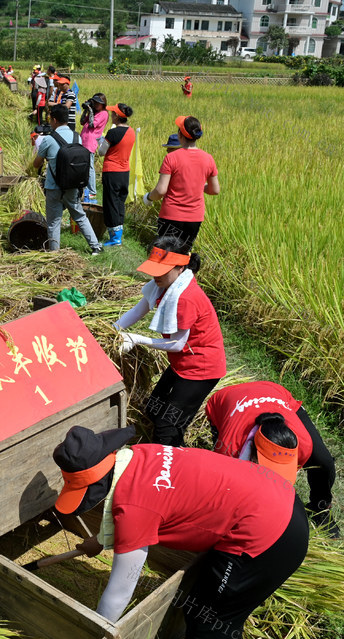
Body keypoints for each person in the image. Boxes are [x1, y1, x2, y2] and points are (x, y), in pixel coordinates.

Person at [51, 425, 308, 639]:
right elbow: (147, 497)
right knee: (226, 617)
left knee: (208, 619)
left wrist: (92, 637)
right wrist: (99, 540)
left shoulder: (135, 509)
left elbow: (119, 593)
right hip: (281, 499)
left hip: (270, 536)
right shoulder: (139, 455)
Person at [114, 236, 226, 446]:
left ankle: (172, 466)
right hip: (181, 363)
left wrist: (137, 339)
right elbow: (139, 310)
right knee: (153, 408)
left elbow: (177, 344)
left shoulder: (185, 297)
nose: (155, 276)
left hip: (201, 369)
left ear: (180, 268)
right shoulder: (163, 285)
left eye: (161, 270)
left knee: (168, 426)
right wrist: (112, 330)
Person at [206, 381, 339, 536]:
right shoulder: (229, 449)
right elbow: (221, 490)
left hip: (275, 392)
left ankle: (320, 508)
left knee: (324, 462)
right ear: (253, 454)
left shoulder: (304, 444)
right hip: (228, 398)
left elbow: (281, 483)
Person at [32, 105, 102, 255]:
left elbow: (36, 164)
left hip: (53, 187)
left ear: (55, 120)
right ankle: (95, 246)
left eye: (50, 119)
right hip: (73, 186)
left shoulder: (49, 139)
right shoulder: (77, 137)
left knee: (54, 222)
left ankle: (54, 253)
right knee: (80, 216)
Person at [143, 116, 219, 248]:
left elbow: (161, 190)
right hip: (194, 218)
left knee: (165, 256)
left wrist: (148, 197)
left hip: (171, 215)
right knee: (183, 255)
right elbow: (215, 190)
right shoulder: (208, 158)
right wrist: (197, 185)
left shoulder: (171, 158)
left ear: (180, 134)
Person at [99, 103, 136, 248]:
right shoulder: (131, 132)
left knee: (111, 203)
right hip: (124, 172)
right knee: (120, 202)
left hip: (111, 171)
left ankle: (114, 239)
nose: (111, 116)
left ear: (117, 116)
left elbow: (101, 152)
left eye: (113, 113)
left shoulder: (113, 133)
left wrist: (101, 142)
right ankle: (118, 234)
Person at [80, 93, 109, 202]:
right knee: (84, 165)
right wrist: (86, 109)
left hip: (90, 142)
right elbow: (82, 121)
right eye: (95, 102)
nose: (96, 105)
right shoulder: (95, 112)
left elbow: (92, 124)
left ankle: (92, 191)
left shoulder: (103, 114)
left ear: (103, 104)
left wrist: (90, 110)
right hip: (84, 140)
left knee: (89, 166)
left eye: (98, 103)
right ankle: (85, 188)